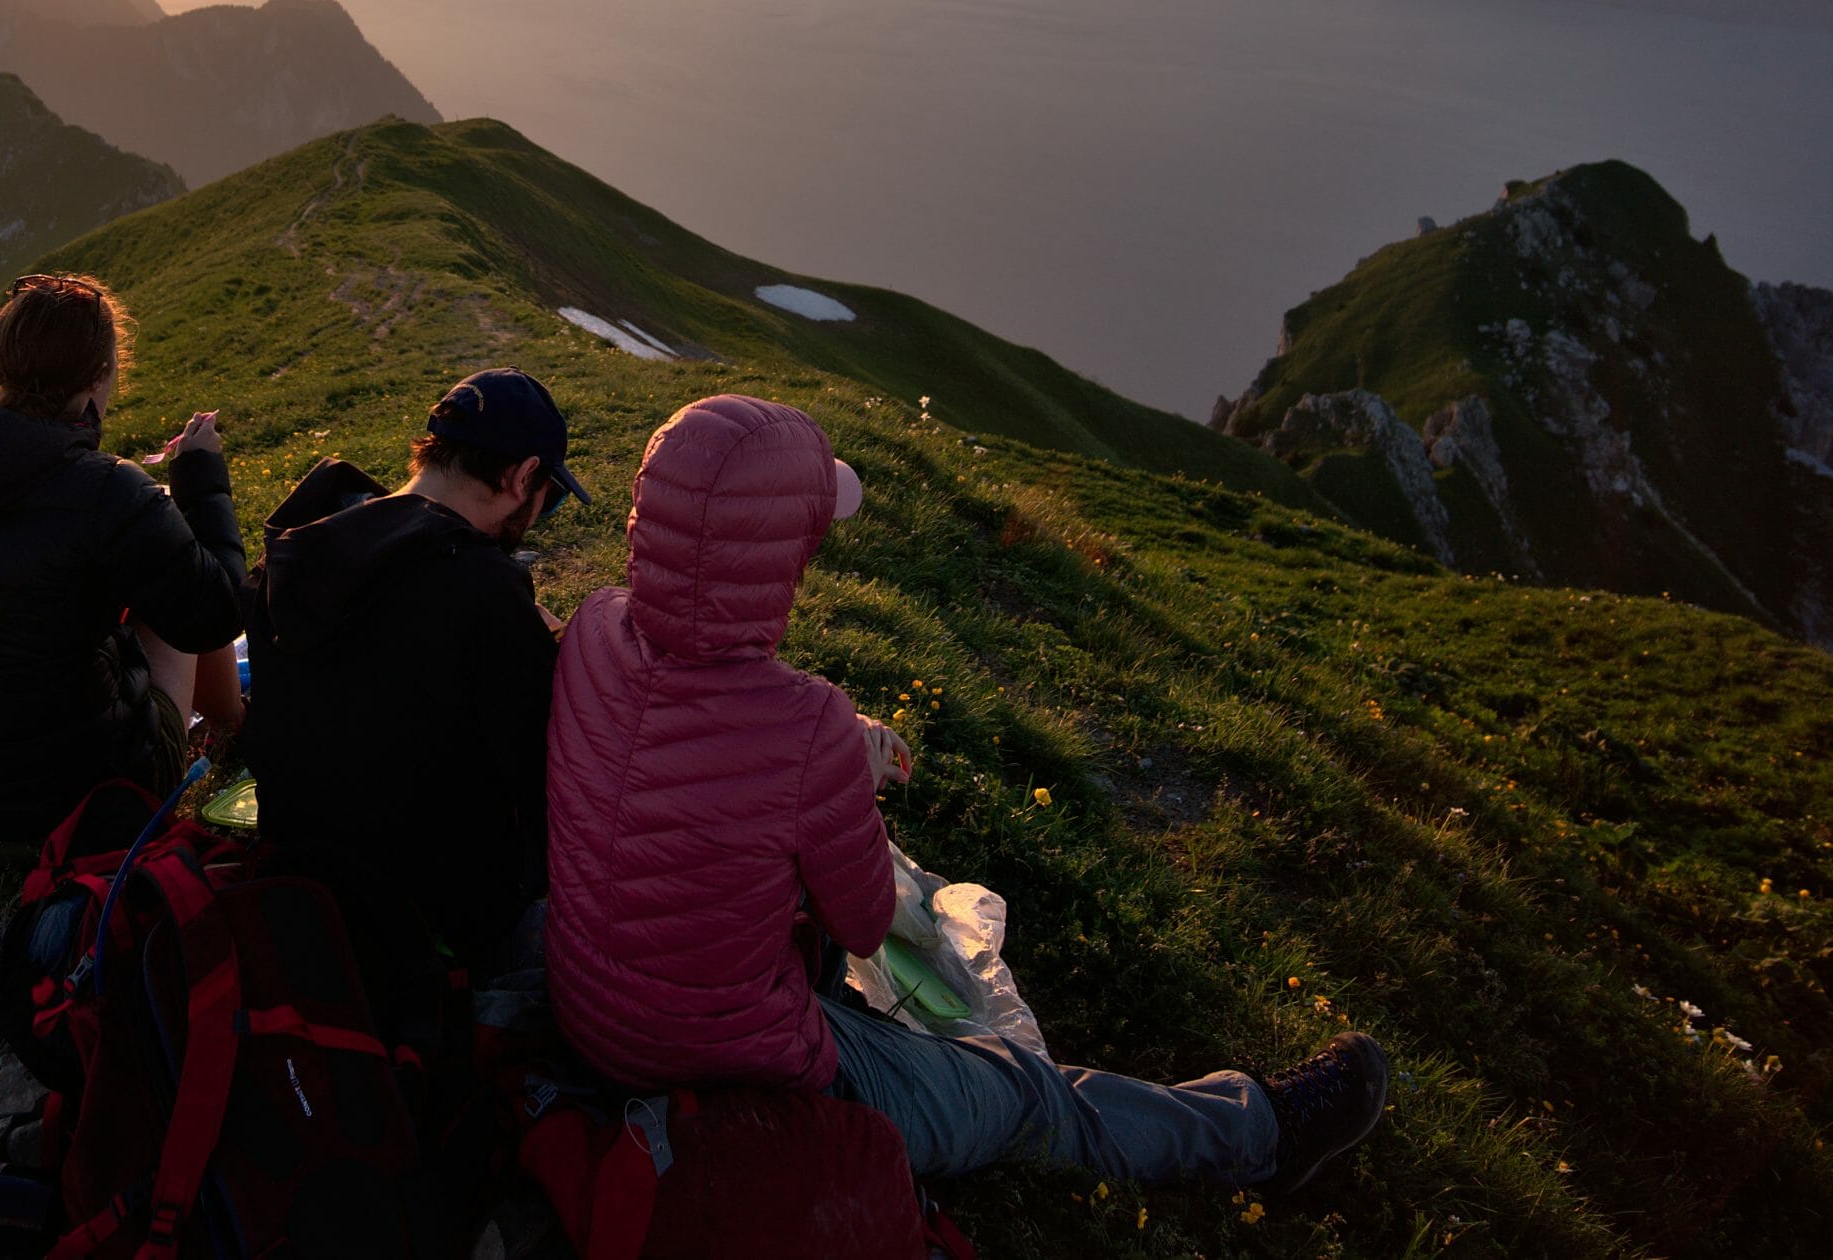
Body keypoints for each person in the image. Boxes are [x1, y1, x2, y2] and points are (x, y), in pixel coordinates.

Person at [543, 393, 1390, 1196]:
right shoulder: (808, 727)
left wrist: (822, 760)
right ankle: (1265, 1136)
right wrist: (847, 777)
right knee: (1023, 1095)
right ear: (783, 552)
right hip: (734, 1066)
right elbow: (865, 924)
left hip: (588, 1009)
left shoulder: (593, 628)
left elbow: (688, 755)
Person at [0, 271, 244, 865]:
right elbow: (212, 614)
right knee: (172, 566)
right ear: (102, 374)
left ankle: (234, 726)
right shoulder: (107, 490)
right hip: (85, 815)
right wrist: (200, 482)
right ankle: (242, 730)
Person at [241, 367, 579, 973]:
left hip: (299, 878)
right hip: (433, 917)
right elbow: (545, 778)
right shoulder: (482, 589)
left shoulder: (294, 555)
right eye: (545, 498)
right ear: (523, 475)